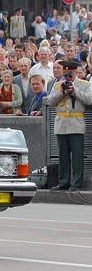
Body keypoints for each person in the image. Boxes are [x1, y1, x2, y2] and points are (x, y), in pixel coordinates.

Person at [46, 60, 92, 190]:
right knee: (63, 157)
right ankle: (63, 182)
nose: (68, 78)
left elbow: (89, 99)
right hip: (61, 124)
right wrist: (62, 91)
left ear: (75, 73)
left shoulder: (84, 85)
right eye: (65, 75)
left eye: (70, 75)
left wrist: (75, 91)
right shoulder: (57, 85)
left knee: (77, 156)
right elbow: (50, 101)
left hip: (76, 123)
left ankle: (76, 183)